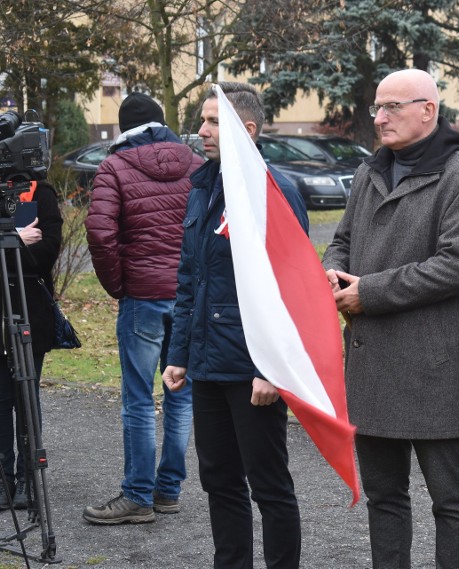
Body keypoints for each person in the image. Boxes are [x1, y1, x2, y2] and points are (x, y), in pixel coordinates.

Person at [322, 68, 459, 569]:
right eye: (377, 107)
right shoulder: (369, 172)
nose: (379, 118)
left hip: (431, 368)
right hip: (372, 362)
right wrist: (333, 271)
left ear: (428, 111)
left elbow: (456, 266)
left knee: (450, 501)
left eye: (392, 107)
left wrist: (367, 293)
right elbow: (343, 240)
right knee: (384, 498)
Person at [162, 82, 308, 568]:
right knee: (219, 481)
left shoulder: (275, 193)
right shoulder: (203, 187)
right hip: (206, 365)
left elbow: (294, 292)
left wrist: (272, 370)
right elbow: (190, 279)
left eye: (213, 122)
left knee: (269, 485)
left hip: (253, 372)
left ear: (246, 131)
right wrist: (179, 353)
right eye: (202, 120)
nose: (200, 131)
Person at [83, 92, 204, 525]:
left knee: (138, 398)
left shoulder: (114, 167)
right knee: (180, 392)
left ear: (123, 128)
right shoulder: (195, 163)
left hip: (143, 297)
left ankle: (137, 495)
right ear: (161, 122)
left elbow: (100, 234)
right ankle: (167, 490)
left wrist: (120, 285)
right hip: (188, 297)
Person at [0, 180, 62, 510]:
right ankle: (3, 479)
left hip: (29, 311)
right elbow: (28, 251)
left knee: (26, 395)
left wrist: (8, 251)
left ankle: (26, 477)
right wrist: (15, 241)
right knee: (0, 398)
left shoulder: (41, 193)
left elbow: (46, 252)